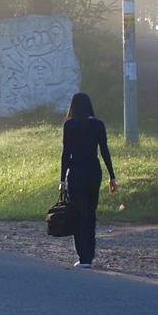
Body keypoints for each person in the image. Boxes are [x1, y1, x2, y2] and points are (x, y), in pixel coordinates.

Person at [60, 92, 117, 268]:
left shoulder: (69, 125)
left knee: (78, 214)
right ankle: (89, 256)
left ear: (73, 107)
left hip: (76, 173)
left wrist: (62, 180)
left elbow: (65, 153)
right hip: (94, 172)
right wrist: (112, 176)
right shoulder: (98, 125)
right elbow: (104, 151)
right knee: (90, 214)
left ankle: (82, 257)